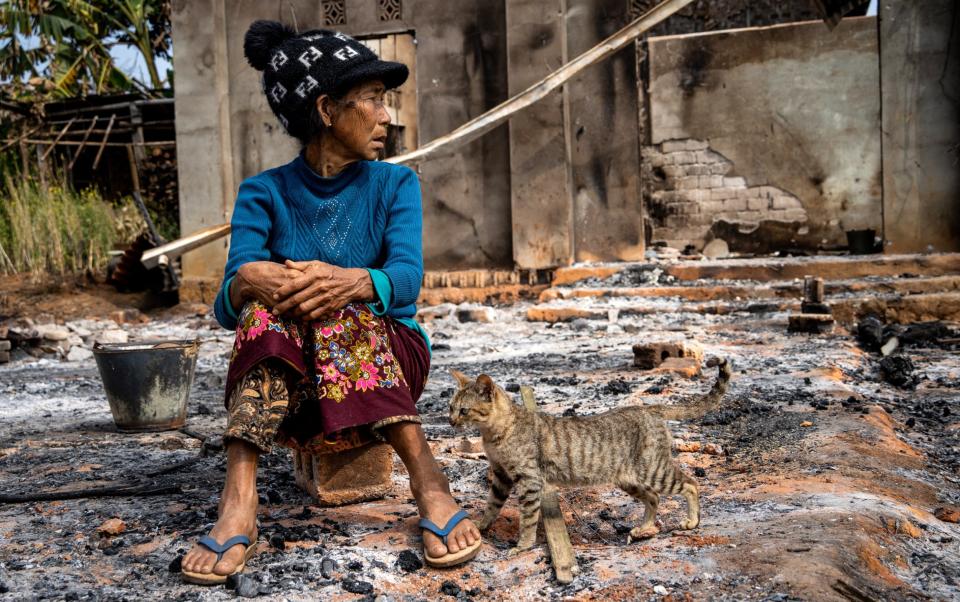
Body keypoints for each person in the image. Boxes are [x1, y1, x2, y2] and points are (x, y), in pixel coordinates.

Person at [179, 20, 481, 585]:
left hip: (387, 366)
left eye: (384, 101)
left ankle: (428, 478)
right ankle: (238, 495)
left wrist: (350, 284)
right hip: (296, 386)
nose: (386, 116)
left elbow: (407, 281)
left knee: (341, 308)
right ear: (325, 109)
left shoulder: (395, 186)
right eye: (372, 100)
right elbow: (227, 307)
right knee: (263, 308)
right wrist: (247, 279)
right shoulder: (262, 193)